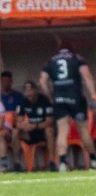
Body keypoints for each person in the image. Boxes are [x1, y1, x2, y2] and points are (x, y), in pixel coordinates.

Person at [39, 41, 96, 172]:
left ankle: (63, 163)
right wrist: (93, 94)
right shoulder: (77, 58)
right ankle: (93, 160)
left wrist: (50, 97)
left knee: (62, 130)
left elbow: (42, 81)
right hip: (76, 97)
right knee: (83, 130)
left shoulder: (51, 61)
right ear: (72, 48)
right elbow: (86, 75)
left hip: (59, 98)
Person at [12, 80, 55, 171]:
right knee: (15, 132)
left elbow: (50, 121)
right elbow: (18, 122)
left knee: (49, 131)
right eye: (26, 90)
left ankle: (52, 162)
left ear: (36, 90)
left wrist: (35, 126)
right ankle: (17, 164)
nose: (28, 93)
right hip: (30, 133)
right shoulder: (23, 102)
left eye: (31, 90)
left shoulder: (44, 100)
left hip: (42, 131)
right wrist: (23, 126)